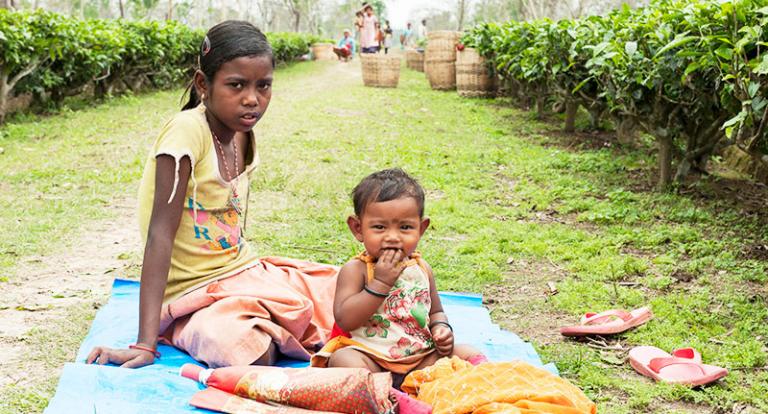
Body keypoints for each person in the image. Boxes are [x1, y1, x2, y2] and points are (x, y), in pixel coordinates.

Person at [86, 21, 338, 370]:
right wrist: (145, 344)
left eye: (263, 86)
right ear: (203, 84)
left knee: (350, 290)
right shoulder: (186, 132)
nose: (253, 99)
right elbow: (159, 235)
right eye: (236, 85)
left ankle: (270, 318)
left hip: (242, 272)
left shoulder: (241, 131)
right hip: (193, 293)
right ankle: (210, 325)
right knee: (249, 351)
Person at [311, 169, 486, 377]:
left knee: (467, 352)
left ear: (421, 229)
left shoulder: (421, 268)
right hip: (372, 358)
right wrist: (380, 284)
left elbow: (435, 311)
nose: (393, 237)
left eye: (405, 227)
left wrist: (442, 329)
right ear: (358, 228)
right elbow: (345, 320)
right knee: (343, 360)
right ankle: (391, 398)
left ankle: (486, 380)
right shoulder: (356, 270)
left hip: (420, 357)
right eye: (379, 227)